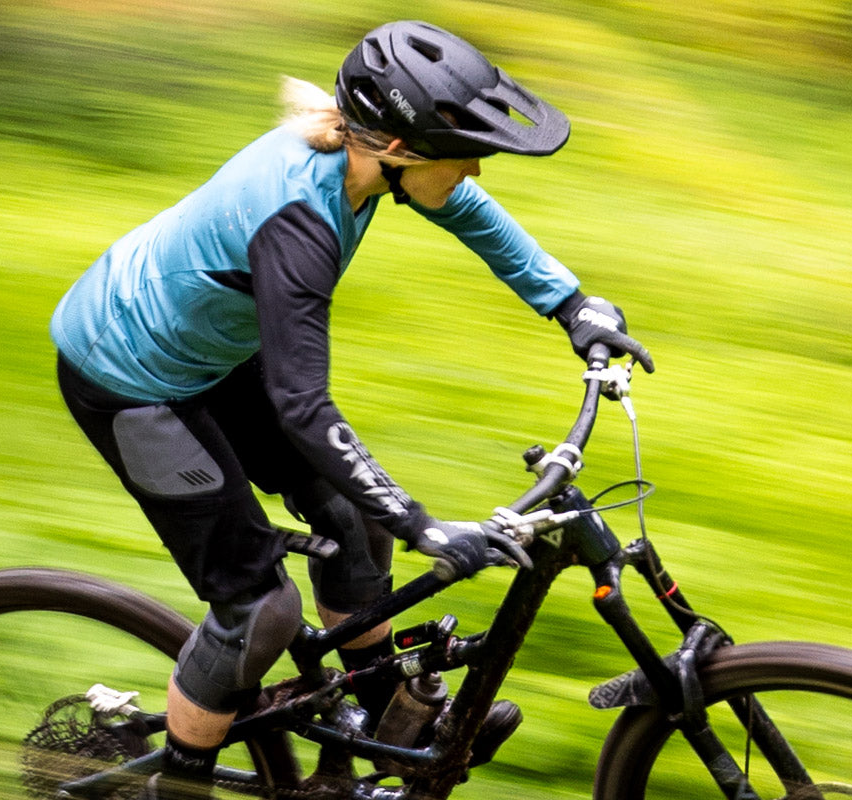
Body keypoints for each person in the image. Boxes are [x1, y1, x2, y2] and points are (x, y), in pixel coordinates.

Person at [50, 19, 654, 799]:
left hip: (212, 350)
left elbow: (468, 210)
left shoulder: (365, 163)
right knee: (261, 610)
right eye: (462, 152)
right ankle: (183, 785)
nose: (476, 169)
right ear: (398, 151)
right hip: (128, 378)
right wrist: (423, 523)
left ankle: (376, 721)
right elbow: (303, 404)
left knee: (354, 520)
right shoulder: (301, 225)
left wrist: (572, 305)